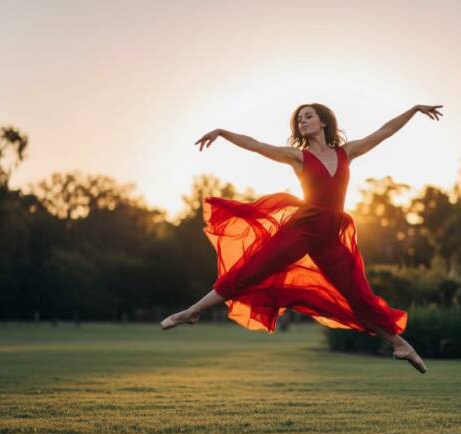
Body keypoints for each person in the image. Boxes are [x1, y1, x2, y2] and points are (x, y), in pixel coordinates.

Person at [160, 103, 443, 374]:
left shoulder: (347, 152)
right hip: (303, 228)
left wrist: (414, 110)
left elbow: (385, 131)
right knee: (252, 270)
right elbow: (255, 144)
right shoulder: (299, 157)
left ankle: (399, 344)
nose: (302, 121)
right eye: (299, 119)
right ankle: (193, 311)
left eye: (308, 116)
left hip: (330, 236)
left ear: (323, 122)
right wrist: (222, 132)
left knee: (358, 296)